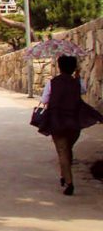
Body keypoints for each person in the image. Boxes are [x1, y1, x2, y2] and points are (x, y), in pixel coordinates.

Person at [41, 55, 101, 195]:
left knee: (62, 151)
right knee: (68, 148)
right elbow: (83, 92)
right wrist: (78, 76)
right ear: (74, 68)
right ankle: (64, 175)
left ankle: (69, 182)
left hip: (57, 121)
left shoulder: (52, 83)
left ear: (59, 67)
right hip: (74, 122)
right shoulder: (77, 82)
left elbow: (44, 100)